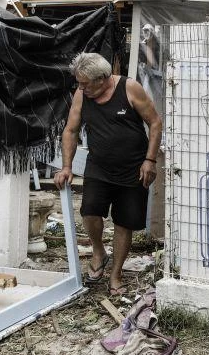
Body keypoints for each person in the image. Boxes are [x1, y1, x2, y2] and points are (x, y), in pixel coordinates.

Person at [54, 52, 162, 296]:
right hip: (99, 167)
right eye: (78, 83)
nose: (80, 88)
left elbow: (155, 122)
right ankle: (98, 250)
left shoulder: (130, 88)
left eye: (85, 83)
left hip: (134, 169)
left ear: (102, 79)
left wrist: (150, 160)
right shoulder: (82, 95)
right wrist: (67, 166)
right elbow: (70, 131)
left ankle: (116, 274)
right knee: (90, 212)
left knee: (125, 223)